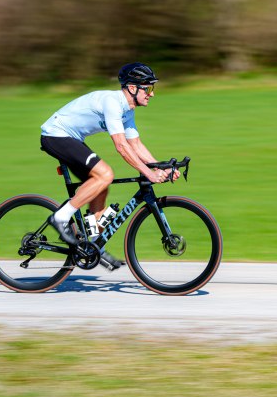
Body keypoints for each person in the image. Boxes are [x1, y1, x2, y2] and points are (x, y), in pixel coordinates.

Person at [40, 62, 179, 270]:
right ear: (132, 88)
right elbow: (121, 146)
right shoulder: (112, 103)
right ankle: (60, 217)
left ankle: (96, 247)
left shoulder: (127, 111)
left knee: (101, 185)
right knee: (105, 174)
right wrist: (148, 173)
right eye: (148, 88)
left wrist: (161, 167)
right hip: (56, 135)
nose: (152, 94)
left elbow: (136, 144)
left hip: (72, 139)